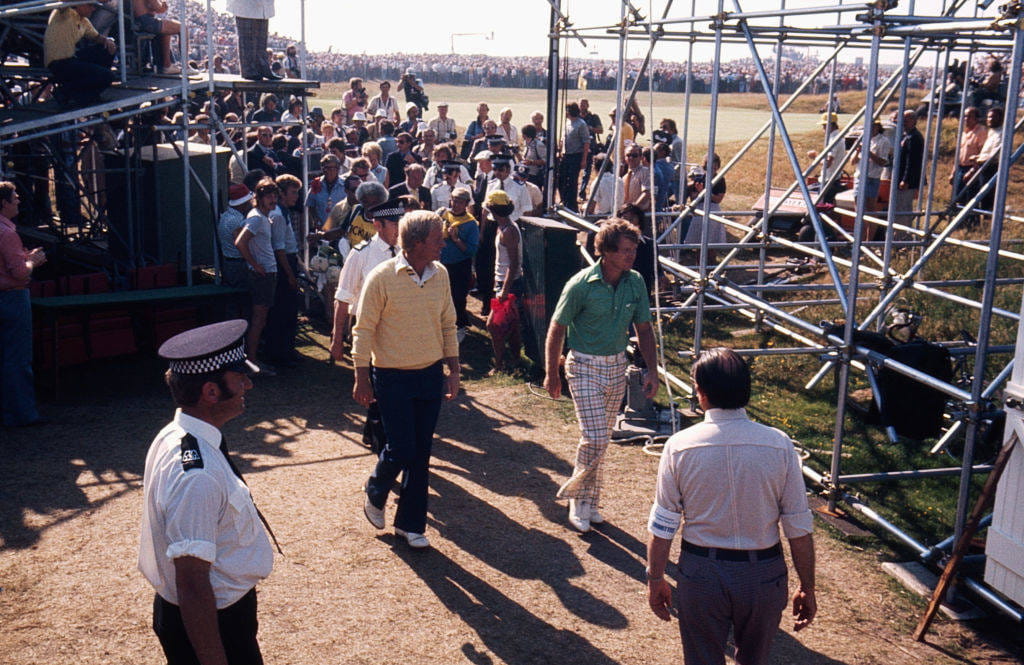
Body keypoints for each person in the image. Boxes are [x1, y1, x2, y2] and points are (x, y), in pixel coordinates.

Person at [646, 347, 817, 665]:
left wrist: (655, 577)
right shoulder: (779, 444)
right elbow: (798, 526)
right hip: (763, 575)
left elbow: (663, 524)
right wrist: (807, 586)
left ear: (701, 392)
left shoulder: (679, 447)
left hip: (701, 571)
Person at [139, 320, 277, 664]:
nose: (248, 385)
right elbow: (192, 582)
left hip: (214, 616)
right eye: (239, 378)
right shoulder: (196, 475)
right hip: (212, 623)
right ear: (211, 392)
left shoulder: (180, 436)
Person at [354, 210, 460, 550]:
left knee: (422, 452)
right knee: (401, 447)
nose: (443, 244)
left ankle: (410, 524)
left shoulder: (440, 274)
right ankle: (376, 489)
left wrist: (454, 370)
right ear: (415, 244)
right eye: (437, 239)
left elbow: (448, 323)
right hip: (390, 376)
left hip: (429, 374)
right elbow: (364, 329)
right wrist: (360, 376)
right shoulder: (381, 277)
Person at [544, 218, 658, 532]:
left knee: (602, 440)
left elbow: (644, 330)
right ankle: (577, 499)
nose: (630, 256)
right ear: (605, 251)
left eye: (633, 250)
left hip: (616, 366)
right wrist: (551, 372)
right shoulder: (580, 284)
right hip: (582, 367)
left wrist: (652, 370)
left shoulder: (635, 282)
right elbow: (557, 328)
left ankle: (591, 501)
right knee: (593, 437)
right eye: (623, 251)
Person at [329, 201, 402, 360]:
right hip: (367, 326)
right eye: (393, 224)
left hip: (398, 326)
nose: (399, 229)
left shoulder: (403, 252)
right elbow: (342, 298)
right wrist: (337, 339)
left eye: (400, 223)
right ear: (378, 225)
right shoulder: (361, 254)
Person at [0, 182, 46, 427]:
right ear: (4, 203)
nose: (18, 201)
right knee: (17, 360)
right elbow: (19, 273)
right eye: (14, 198)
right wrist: (33, 262)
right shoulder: (8, 233)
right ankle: (23, 414)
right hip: (13, 297)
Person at [235, 178, 280, 375]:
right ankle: (252, 363)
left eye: (275, 195)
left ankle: (252, 361)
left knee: (260, 320)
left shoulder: (261, 216)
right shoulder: (257, 218)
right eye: (268, 196)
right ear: (259, 198)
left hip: (267, 273)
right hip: (262, 276)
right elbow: (240, 241)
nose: (273, 199)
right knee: (258, 321)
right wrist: (254, 264)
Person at [43, 2, 116, 106]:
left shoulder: (84, 21)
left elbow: (96, 37)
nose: (93, 9)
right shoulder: (64, 13)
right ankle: (67, 92)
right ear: (79, 4)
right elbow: (63, 2)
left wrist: (108, 41)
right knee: (108, 77)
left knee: (106, 49)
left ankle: (89, 91)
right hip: (58, 63)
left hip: (71, 60)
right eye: (90, 5)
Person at [264, 174, 302, 366]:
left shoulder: (283, 212)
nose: (296, 196)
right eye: (293, 192)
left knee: (288, 310)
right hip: (284, 263)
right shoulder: (278, 215)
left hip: (289, 259)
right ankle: (281, 353)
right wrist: (289, 275)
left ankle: (286, 350)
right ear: (282, 194)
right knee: (283, 310)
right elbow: (279, 248)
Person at [484, 190, 523, 375]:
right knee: (512, 326)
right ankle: (515, 362)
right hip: (503, 283)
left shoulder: (509, 231)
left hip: (509, 285)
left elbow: (514, 264)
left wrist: (505, 291)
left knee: (493, 325)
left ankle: (499, 365)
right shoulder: (505, 227)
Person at [439, 187, 480, 339]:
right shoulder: (443, 214)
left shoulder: (471, 224)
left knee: (458, 297)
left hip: (460, 265)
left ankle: (460, 326)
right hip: (443, 263)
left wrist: (456, 240)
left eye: (460, 202)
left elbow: (471, 251)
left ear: (466, 204)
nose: (455, 204)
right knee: (443, 297)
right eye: (454, 200)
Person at [133, 0, 188, 75]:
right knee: (183, 28)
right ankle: (186, 66)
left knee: (166, 30)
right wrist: (162, 4)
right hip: (145, 21)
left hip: (137, 21)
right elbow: (157, 6)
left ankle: (166, 66)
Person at [229, 0, 279, 80]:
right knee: (247, 39)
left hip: (263, 7)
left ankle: (263, 68)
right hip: (245, 6)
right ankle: (248, 70)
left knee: (262, 41)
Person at [218, 184, 254, 293]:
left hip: (230, 263)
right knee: (243, 297)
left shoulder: (225, 216)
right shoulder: (237, 221)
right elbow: (242, 244)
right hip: (239, 265)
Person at [852, 120, 891, 214]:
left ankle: (871, 228)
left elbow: (883, 162)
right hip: (859, 177)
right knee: (858, 207)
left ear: (878, 127)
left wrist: (868, 153)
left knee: (870, 209)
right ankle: (860, 228)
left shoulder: (883, 141)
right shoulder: (862, 139)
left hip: (872, 178)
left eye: (873, 126)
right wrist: (857, 151)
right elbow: (852, 162)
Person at [893, 110, 925, 221]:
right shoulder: (905, 136)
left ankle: (903, 235)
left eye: (908, 118)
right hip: (900, 178)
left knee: (904, 208)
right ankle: (899, 234)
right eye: (903, 119)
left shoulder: (914, 137)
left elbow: (912, 161)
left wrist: (906, 180)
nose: (905, 121)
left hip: (907, 182)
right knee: (898, 208)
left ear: (914, 121)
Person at [949, 107, 987, 201]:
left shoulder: (981, 132)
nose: (966, 119)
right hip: (960, 169)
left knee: (969, 199)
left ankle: (971, 216)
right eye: (965, 116)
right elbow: (959, 154)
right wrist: (953, 172)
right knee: (957, 199)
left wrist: (973, 170)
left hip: (972, 170)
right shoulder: (964, 133)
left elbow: (983, 154)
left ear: (976, 118)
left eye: (969, 116)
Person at [559, 102, 590, 212]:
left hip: (576, 156)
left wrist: (584, 159)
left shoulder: (581, 124)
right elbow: (563, 138)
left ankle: (572, 206)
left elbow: (586, 142)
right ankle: (564, 200)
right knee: (561, 179)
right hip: (565, 156)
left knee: (572, 181)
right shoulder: (567, 123)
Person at [305, 154, 346, 230]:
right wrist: (316, 220)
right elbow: (310, 204)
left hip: (340, 229)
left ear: (337, 169)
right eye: (324, 168)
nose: (327, 171)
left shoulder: (345, 185)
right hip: (322, 228)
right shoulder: (316, 184)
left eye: (331, 168)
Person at [819, 112, 846, 185]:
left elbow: (828, 163)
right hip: (833, 178)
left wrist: (815, 157)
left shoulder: (834, 140)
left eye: (824, 125)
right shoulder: (837, 138)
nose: (823, 128)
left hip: (829, 180)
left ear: (830, 125)